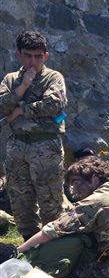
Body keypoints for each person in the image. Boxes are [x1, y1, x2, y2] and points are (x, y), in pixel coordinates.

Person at [2, 157, 109, 278]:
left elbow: (52, 230)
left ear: (94, 179)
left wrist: (18, 251)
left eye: (77, 182)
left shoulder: (95, 200)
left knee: (73, 245)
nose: (74, 189)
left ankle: (22, 272)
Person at [0, 31, 67, 240]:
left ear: (45, 56)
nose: (33, 61)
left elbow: (54, 104)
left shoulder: (53, 78)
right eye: (28, 56)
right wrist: (23, 87)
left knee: (51, 201)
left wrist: (21, 110)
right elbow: (2, 105)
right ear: (18, 54)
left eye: (38, 56)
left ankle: (54, 246)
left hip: (45, 146)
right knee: (21, 201)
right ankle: (29, 245)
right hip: (17, 147)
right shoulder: (11, 79)